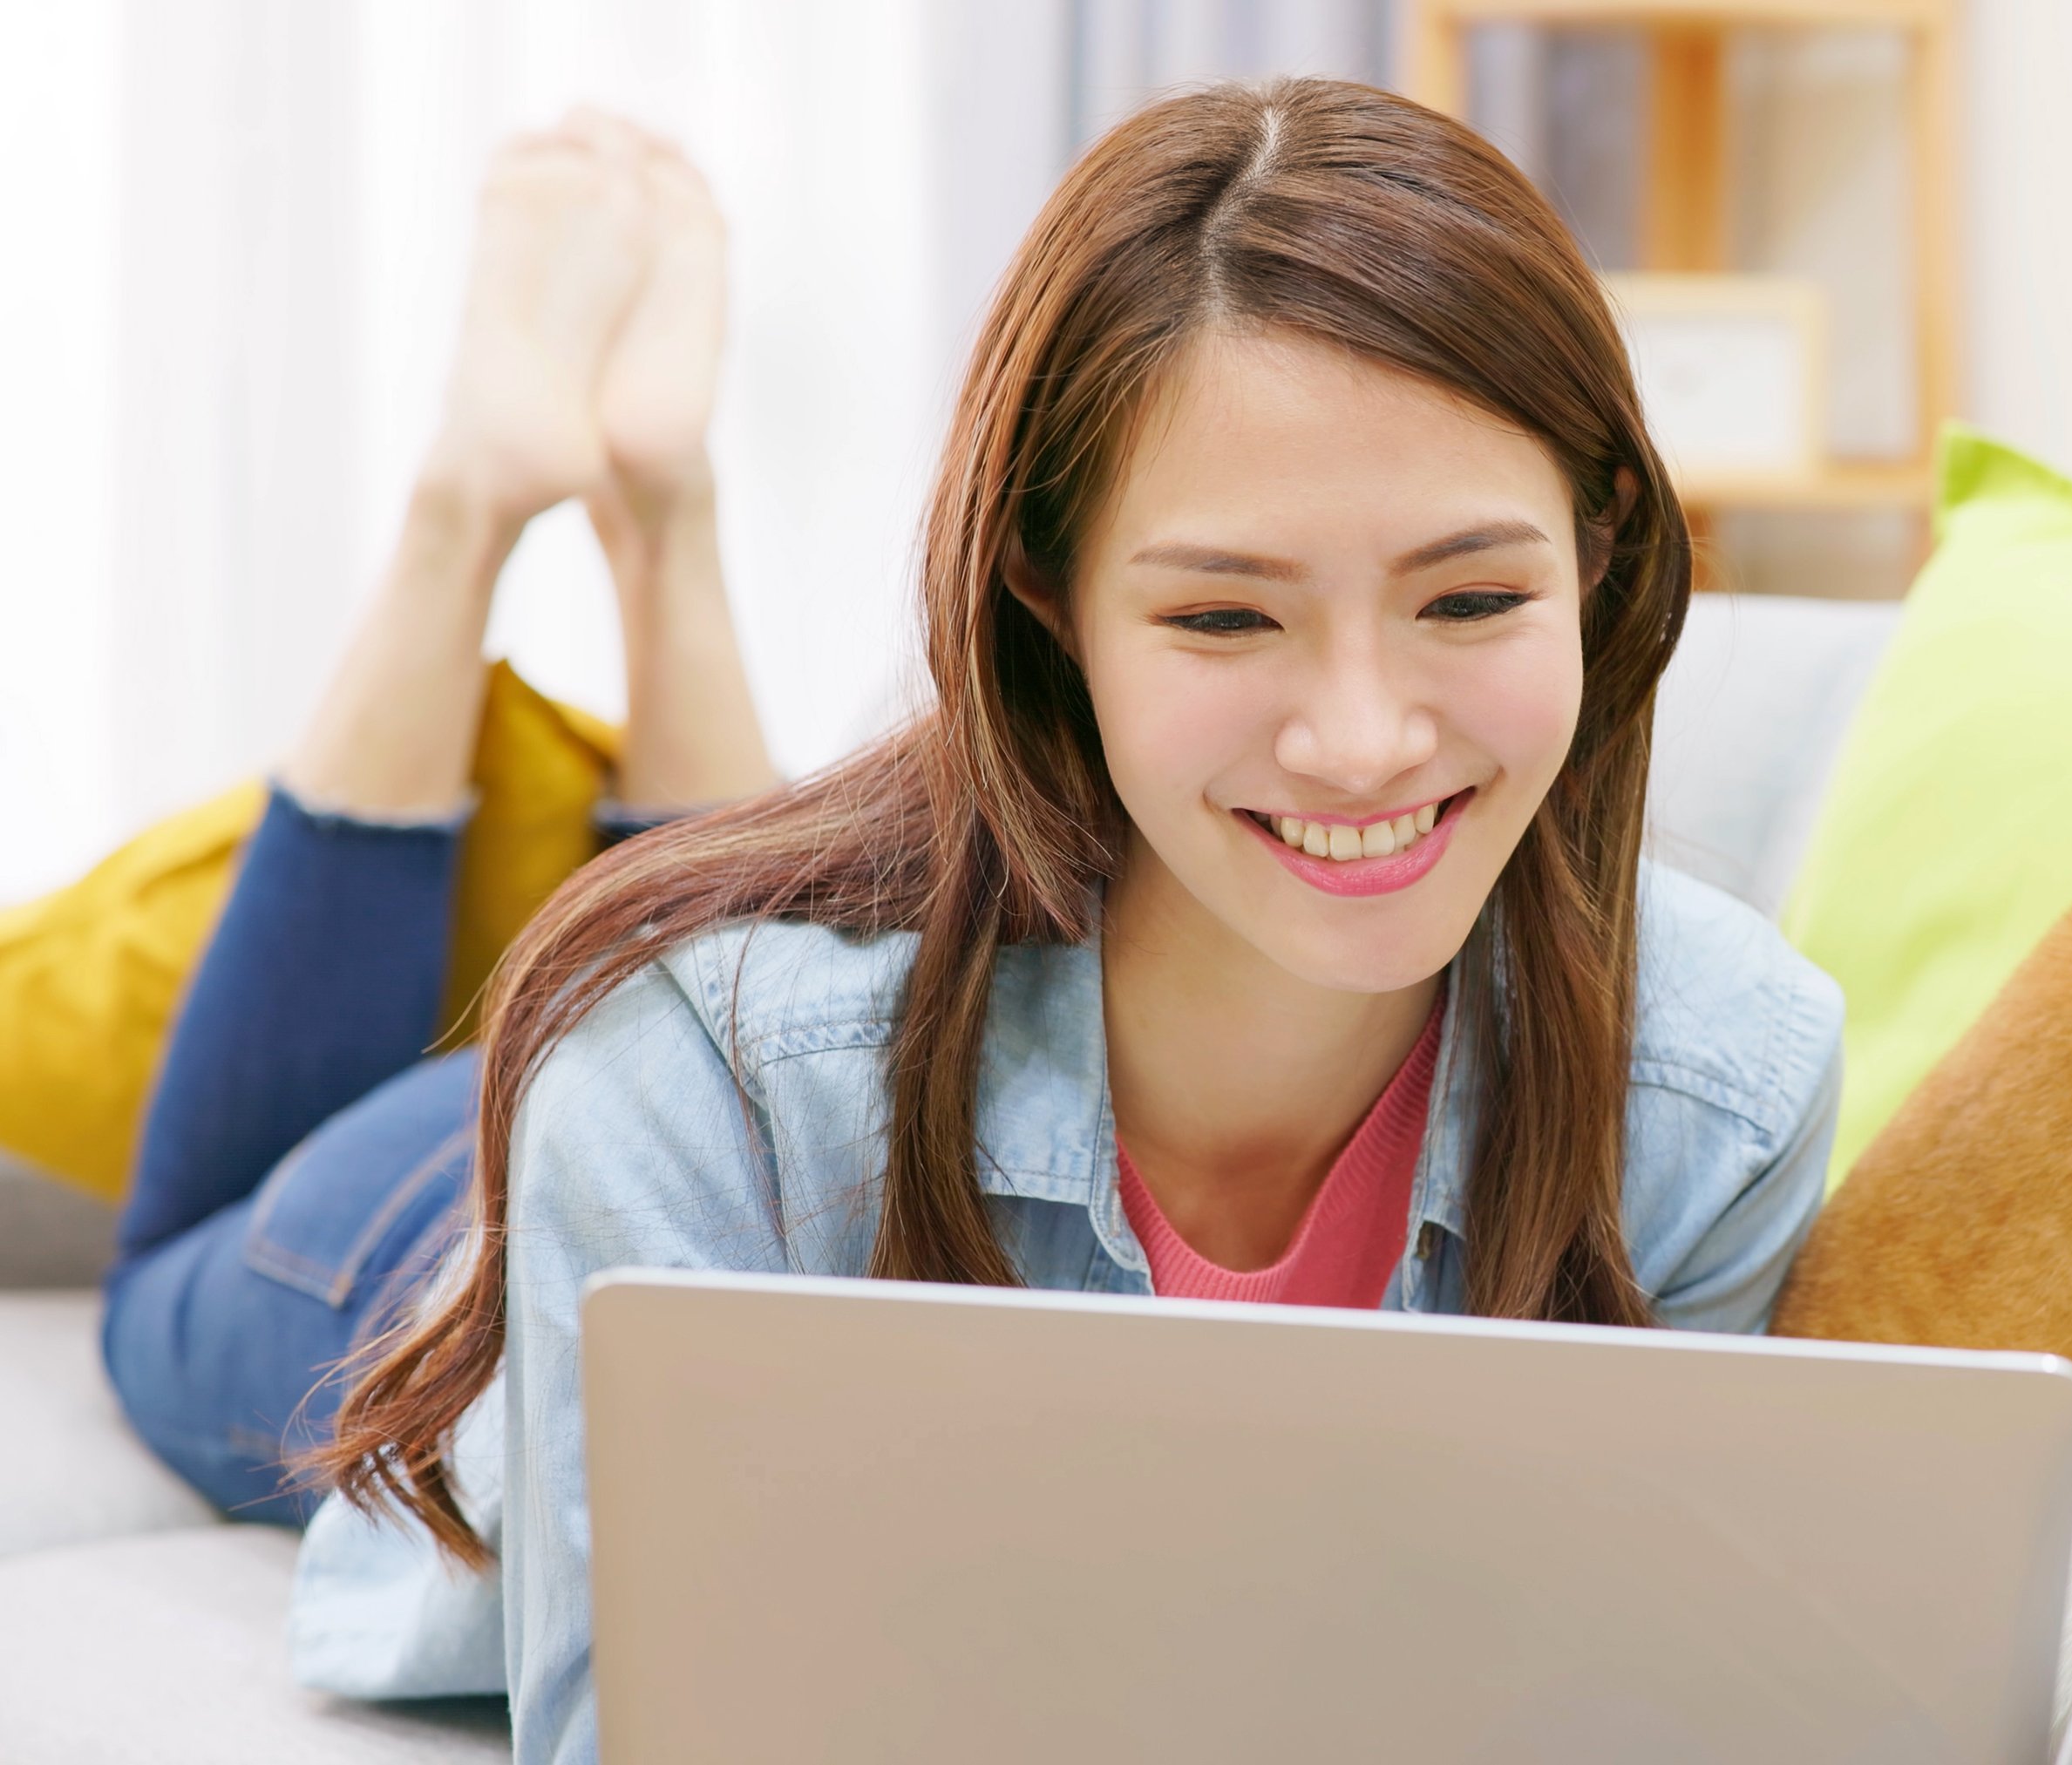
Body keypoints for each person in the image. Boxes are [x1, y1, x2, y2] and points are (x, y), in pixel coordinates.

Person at [309, 78, 1844, 1761]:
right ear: (1049, 595)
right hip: (393, 1259)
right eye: (1224, 616)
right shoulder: (692, 1085)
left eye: (1470, 598)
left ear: (1605, 551)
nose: (1362, 740)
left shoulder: (1721, 1090)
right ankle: (483, 505)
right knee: (218, 1216)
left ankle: (663, 525)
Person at [101, 112, 773, 1522]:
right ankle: (568, 505)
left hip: (502, 1169)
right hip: (566, 1170)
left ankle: (592, 508)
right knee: (162, 1267)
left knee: (170, 1268)